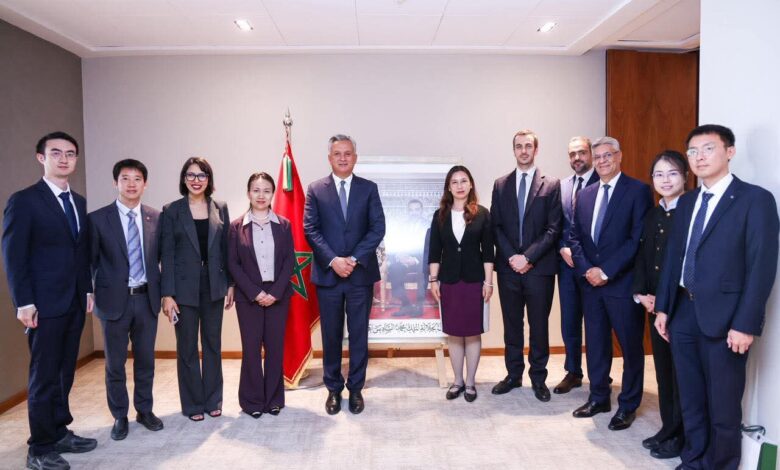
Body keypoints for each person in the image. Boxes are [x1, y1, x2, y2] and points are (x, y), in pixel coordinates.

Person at [655, 125, 779, 469]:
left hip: (727, 318)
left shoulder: (755, 200)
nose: (699, 157)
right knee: (691, 397)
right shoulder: (687, 202)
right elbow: (674, 258)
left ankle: (722, 464)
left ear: (729, 152)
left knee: (723, 404)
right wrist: (664, 308)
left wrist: (745, 324)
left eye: (708, 149)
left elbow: (761, 266)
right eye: (693, 152)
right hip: (683, 311)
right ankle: (694, 458)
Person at [2, 131, 97, 470]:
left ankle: (58, 431)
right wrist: (23, 301)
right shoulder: (24, 201)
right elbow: (14, 256)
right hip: (42, 305)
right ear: (41, 158)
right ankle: (39, 448)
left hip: (73, 302)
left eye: (70, 153)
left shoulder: (79, 202)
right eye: (56, 153)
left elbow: (80, 253)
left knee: (64, 373)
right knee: (43, 377)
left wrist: (87, 290)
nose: (64, 159)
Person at [568, 136, 652, 431]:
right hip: (591, 286)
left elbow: (637, 239)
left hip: (622, 284)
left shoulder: (638, 191)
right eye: (598, 156)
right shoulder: (585, 194)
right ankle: (599, 397)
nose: (602, 160)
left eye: (608, 155)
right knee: (596, 345)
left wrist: (606, 271)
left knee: (630, 348)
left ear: (619, 157)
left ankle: (628, 405)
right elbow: (575, 237)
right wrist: (588, 270)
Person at [303, 134, 385, 415]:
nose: (342, 158)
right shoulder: (316, 189)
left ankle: (356, 389)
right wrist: (334, 260)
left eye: (347, 153)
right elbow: (310, 229)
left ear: (355, 158)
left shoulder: (369, 189)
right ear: (329, 158)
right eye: (337, 153)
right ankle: (333, 389)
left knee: (359, 334)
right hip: (329, 276)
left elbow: (377, 228)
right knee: (331, 335)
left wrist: (353, 259)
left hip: (360, 275)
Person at [89, 159, 163, 440]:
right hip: (112, 302)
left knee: (146, 361)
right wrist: (89, 292)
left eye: (137, 179)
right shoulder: (98, 219)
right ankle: (120, 415)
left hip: (146, 300)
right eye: (125, 178)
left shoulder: (156, 217)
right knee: (114, 364)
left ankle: (144, 410)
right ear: (115, 182)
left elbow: (162, 259)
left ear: (145, 184)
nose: (131, 184)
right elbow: (89, 261)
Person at [490, 130, 562, 402]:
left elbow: (553, 229)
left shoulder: (551, 185)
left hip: (539, 268)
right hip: (508, 268)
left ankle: (538, 378)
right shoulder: (500, 185)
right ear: (514, 150)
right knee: (512, 325)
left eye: (528, 146)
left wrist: (528, 257)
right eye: (519, 146)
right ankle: (513, 375)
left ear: (536, 149)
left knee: (539, 326)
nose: (523, 150)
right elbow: (496, 226)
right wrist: (512, 257)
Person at [160, 157, 234, 421]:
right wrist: (167, 294)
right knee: (187, 347)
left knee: (213, 344)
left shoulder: (220, 207)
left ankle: (213, 400)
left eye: (202, 175)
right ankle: (193, 404)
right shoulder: (171, 210)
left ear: (208, 179)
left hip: (214, 286)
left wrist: (230, 284)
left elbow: (226, 250)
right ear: (184, 179)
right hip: (183, 290)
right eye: (190, 175)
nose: (196, 180)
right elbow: (167, 255)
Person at [631, 151, 687, 459]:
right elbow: (643, 258)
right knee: (663, 371)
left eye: (672, 173)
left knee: (682, 375)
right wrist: (641, 294)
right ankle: (668, 428)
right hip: (654, 307)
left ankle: (682, 435)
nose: (665, 180)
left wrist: (663, 300)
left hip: (680, 306)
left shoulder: (690, 212)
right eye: (659, 174)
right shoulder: (653, 215)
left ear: (685, 177)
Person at [227, 172, 295, 418]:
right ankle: (252, 402)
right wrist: (255, 293)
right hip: (248, 298)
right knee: (251, 349)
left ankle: (274, 399)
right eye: (256, 190)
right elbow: (233, 264)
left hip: (278, 296)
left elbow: (289, 261)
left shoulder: (284, 225)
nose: (261, 195)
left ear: (272, 194)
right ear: (248, 193)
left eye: (266, 190)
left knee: (275, 348)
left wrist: (274, 292)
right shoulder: (237, 226)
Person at [429, 165, 495, 402]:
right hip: (449, 281)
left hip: (474, 281)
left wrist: (489, 283)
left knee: (472, 333)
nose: (459, 186)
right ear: (449, 187)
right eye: (454, 182)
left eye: (463, 181)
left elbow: (488, 252)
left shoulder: (483, 214)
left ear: (471, 185)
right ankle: (457, 381)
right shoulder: (439, 215)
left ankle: (470, 383)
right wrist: (433, 280)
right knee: (455, 334)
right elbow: (434, 251)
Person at [554, 136, 599, 394]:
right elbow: (556, 223)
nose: (577, 158)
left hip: (593, 266)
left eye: (581, 152)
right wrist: (562, 247)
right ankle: (573, 372)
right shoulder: (562, 186)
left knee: (595, 323)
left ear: (590, 153)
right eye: (572, 154)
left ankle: (599, 374)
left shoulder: (603, 182)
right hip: (567, 266)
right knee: (569, 321)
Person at [387, 199, 429, 317]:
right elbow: (396, 242)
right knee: (394, 268)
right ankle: (406, 304)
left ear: (421, 211)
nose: (414, 212)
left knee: (422, 269)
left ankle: (419, 306)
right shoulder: (402, 225)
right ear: (408, 211)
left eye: (417, 210)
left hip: (422, 259)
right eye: (411, 210)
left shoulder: (429, 225)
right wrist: (400, 256)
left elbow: (431, 247)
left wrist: (415, 260)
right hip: (405, 257)